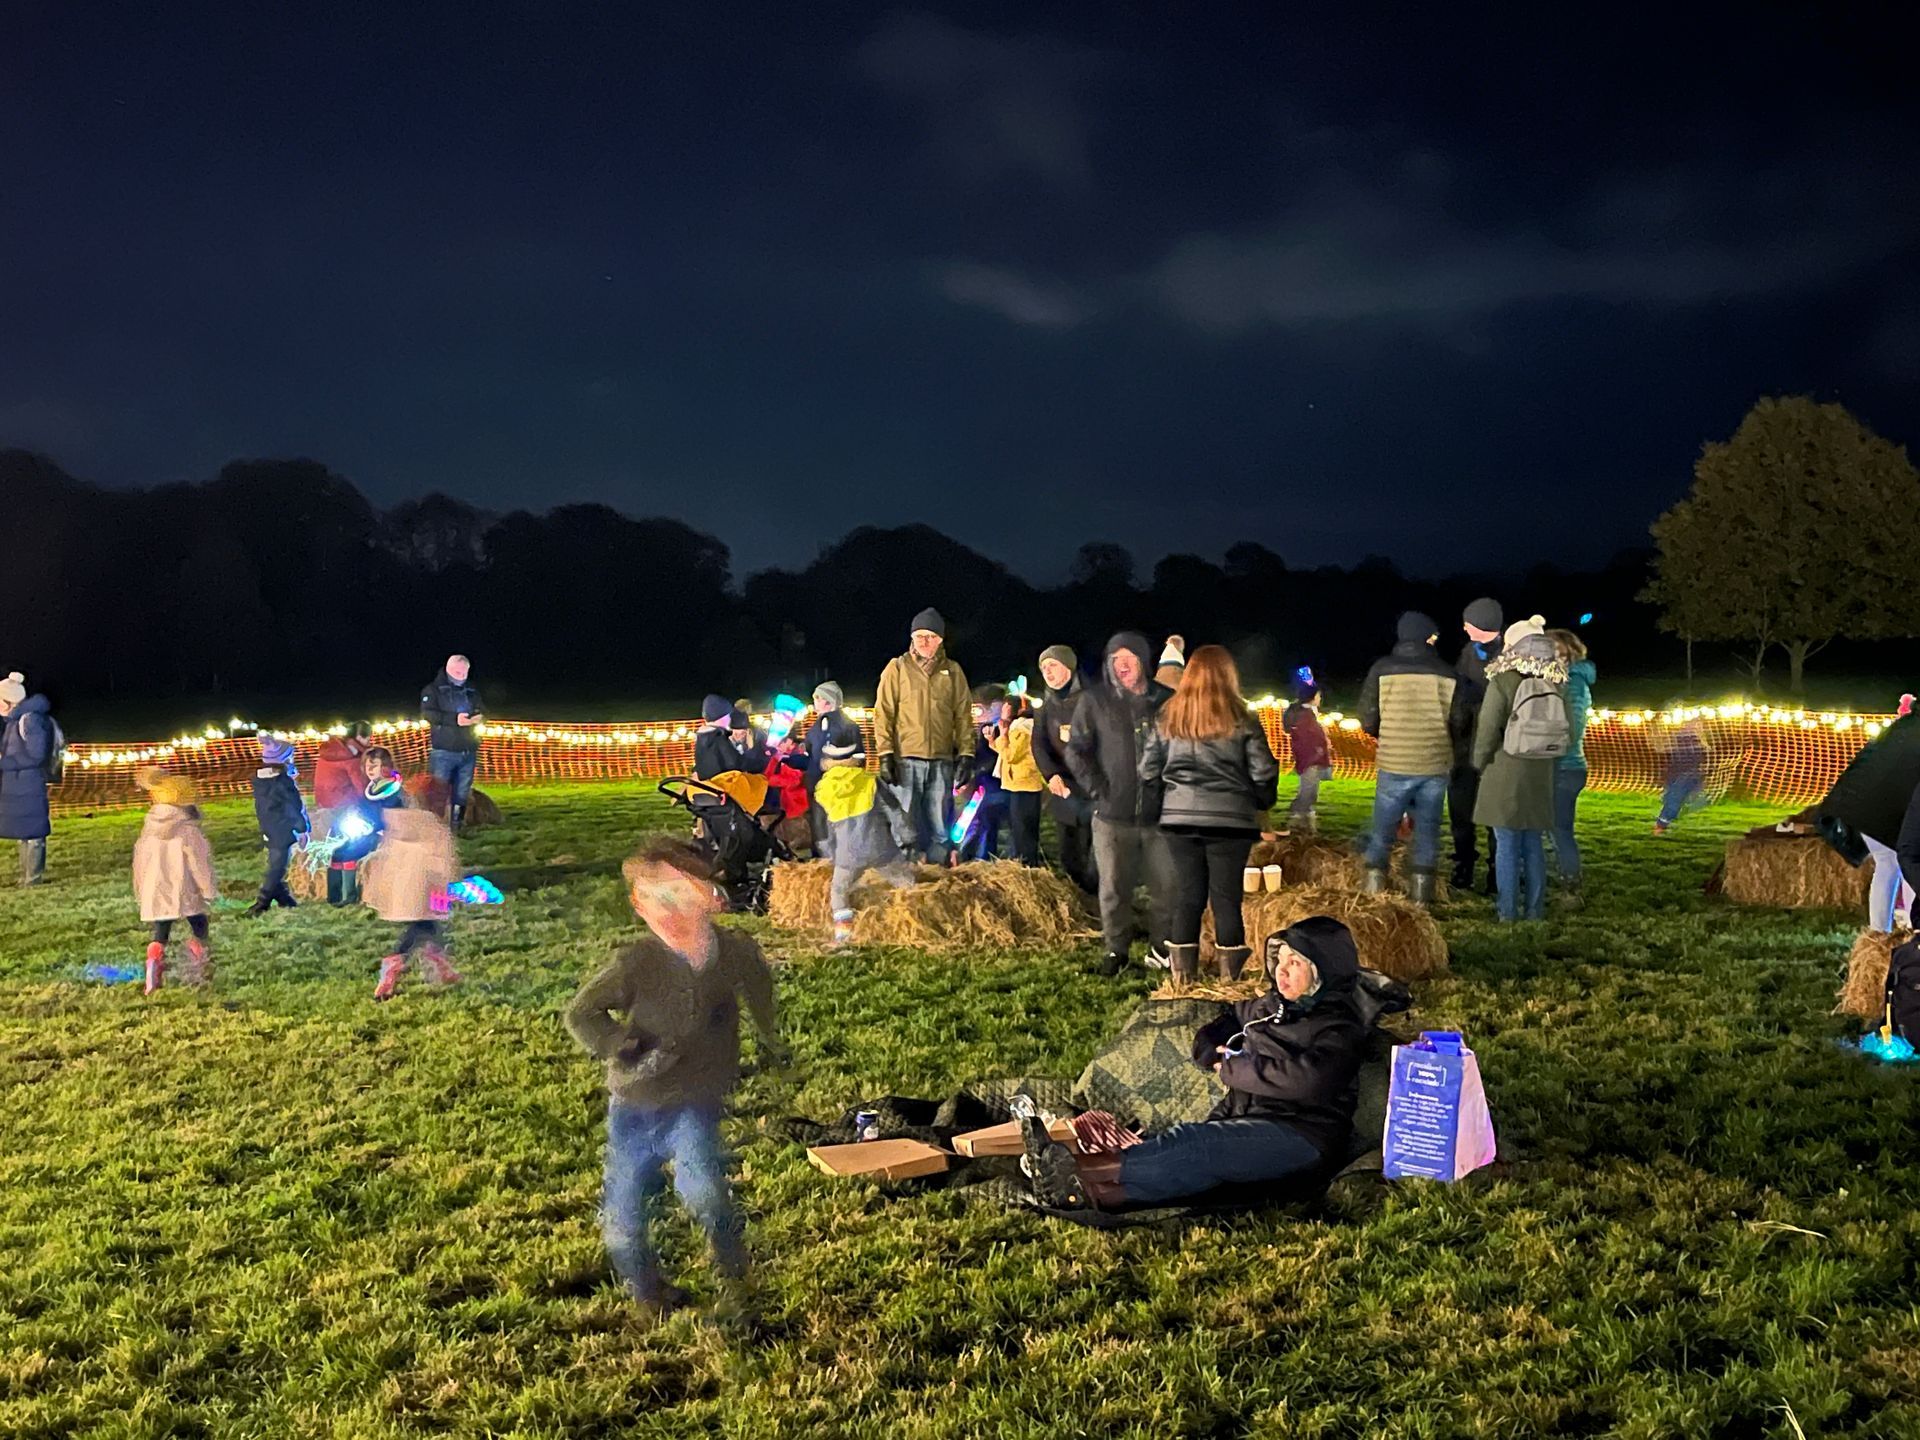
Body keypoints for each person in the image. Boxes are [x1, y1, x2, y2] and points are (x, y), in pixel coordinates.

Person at [563, 837, 786, 1323]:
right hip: (635, 1101)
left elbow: (759, 992)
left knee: (704, 1191)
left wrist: (772, 1045)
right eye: (656, 899)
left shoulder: (732, 953)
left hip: (694, 1100)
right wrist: (618, 1043)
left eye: (682, 894)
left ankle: (736, 1281)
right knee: (622, 1218)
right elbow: (581, 1012)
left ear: (710, 895)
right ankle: (648, 1293)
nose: (671, 910)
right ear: (638, 907)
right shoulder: (637, 963)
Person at [1022, 918, 1366, 1212]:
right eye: (1282, 959)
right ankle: (1089, 1196)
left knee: (1196, 1145)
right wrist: (1208, 1044)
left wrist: (1231, 1067)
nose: (1282, 970)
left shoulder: (1339, 1028)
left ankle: (1072, 1168)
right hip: (1246, 1119)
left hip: (1302, 1136)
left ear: (1322, 975)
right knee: (1189, 1170)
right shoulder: (1271, 1007)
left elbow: (1307, 1082)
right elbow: (1232, 1016)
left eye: (1296, 964)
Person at [1140, 645, 1279, 985]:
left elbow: (1147, 770)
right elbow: (1263, 771)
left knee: (1188, 896)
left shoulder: (1168, 715)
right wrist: (1262, 801)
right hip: (1231, 821)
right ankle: (1229, 981)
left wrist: (1160, 804)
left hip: (1178, 820)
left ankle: (1182, 979)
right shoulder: (1242, 716)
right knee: (1226, 898)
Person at [1067, 632, 1177, 975]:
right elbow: (1077, 750)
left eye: (1129, 658)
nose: (1122, 665)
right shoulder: (1094, 701)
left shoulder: (1168, 700)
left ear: (1144, 661)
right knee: (1114, 888)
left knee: (1166, 888)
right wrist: (1098, 789)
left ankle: (1162, 950)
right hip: (1112, 816)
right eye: (1115, 659)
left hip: (1160, 816)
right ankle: (1116, 950)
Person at [1357, 613, 1460, 905]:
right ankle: (1421, 900)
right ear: (1426, 636)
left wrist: (1388, 733)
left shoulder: (1382, 668)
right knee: (1427, 832)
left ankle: (1374, 894)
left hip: (1394, 761)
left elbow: (1366, 717)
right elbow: (1460, 719)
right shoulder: (1447, 672)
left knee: (1382, 830)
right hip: (1434, 763)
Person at [1472, 617, 1567, 922]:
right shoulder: (1556, 680)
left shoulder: (1502, 680)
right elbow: (1569, 728)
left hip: (1505, 769)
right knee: (1533, 844)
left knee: (1507, 844)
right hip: (1542, 771)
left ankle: (1507, 912)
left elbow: (1488, 728)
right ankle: (1535, 911)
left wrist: (1479, 761)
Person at [872, 608, 974, 864]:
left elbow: (963, 715)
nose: (924, 642)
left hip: (941, 759)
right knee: (905, 820)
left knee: (940, 820)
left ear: (940, 639)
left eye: (930, 636)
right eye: (919, 636)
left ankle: (937, 872)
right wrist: (885, 754)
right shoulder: (897, 668)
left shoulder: (953, 671)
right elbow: (883, 713)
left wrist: (966, 753)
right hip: (906, 759)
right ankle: (903, 871)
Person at [814, 730, 917, 945]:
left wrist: (830, 854)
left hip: (847, 854)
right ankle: (914, 926)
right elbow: (895, 811)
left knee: (839, 891)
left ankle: (844, 937)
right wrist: (908, 836)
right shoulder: (871, 782)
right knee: (906, 884)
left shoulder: (823, 789)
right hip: (881, 849)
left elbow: (823, 828)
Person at [366, 779, 463, 1000]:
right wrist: (450, 881)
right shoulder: (432, 826)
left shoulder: (395, 822)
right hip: (428, 889)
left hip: (403, 892)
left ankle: (440, 967)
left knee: (426, 927)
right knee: (422, 927)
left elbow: (385, 860)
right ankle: (395, 965)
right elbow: (442, 859)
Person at [132, 771, 218, 995]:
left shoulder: (149, 827)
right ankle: (199, 966)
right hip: (184, 887)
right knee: (199, 924)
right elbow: (199, 862)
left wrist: (142, 888)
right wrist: (208, 889)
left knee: (161, 930)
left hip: (157, 888)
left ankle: (153, 967)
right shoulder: (188, 829)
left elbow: (140, 861)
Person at [1029, 645, 1097, 895]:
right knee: (1068, 853)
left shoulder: (1091, 700)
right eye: (1044, 668)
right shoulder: (1046, 705)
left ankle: (1097, 898)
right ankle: (1077, 895)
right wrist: (1051, 774)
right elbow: (1038, 743)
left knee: (1093, 849)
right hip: (1062, 786)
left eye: (1052, 666)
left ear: (1068, 667)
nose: (1047, 672)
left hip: (1091, 788)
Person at [1450, 598, 1505, 893]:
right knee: (1461, 813)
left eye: (1469, 623)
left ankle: (1498, 871)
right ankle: (1463, 867)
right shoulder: (1468, 652)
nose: (1464, 627)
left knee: (1495, 815)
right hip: (1463, 750)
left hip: (1495, 751)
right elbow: (1458, 697)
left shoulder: (1510, 655)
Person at [1546, 629, 1596, 891]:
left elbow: (1573, 728)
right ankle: (1563, 875)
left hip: (1566, 766)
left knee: (1560, 828)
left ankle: (1572, 883)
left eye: (1555, 650)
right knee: (1552, 827)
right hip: (1558, 764)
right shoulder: (1559, 680)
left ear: (1569, 653)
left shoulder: (1573, 682)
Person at [0, 671, 57, 887]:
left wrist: (4, 762)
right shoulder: (13, 722)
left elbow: (36, 755)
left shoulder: (30, 720)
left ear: (9, 700)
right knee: (25, 833)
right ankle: (25, 877)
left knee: (33, 834)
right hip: (18, 784)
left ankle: (32, 879)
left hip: (29, 784)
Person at [420, 654, 485, 830]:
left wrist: (479, 717)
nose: (462, 676)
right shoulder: (433, 690)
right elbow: (428, 714)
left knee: (462, 791)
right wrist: (454, 720)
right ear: (448, 669)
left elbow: (481, 708)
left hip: (468, 749)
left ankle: (457, 825)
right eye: (458, 672)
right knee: (438, 791)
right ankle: (435, 826)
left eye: (465, 672)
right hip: (444, 750)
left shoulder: (471, 690)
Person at [247, 733, 308, 915]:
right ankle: (262, 903)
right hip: (283, 829)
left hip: (268, 827)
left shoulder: (261, 780)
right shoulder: (282, 781)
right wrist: (302, 829)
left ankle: (284, 899)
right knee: (277, 867)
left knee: (277, 862)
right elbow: (292, 807)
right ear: (284, 758)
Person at [988, 691, 1045, 866]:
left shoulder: (1023, 729)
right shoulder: (1019, 728)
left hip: (1024, 785)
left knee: (1023, 830)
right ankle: (1024, 863)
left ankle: (1026, 865)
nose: (1001, 711)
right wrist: (994, 740)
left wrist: (1003, 732)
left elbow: (1011, 755)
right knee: (1020, 828)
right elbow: (1006, 751)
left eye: (1005, 707)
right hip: (1018, 784)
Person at [958, 686, 1008, 862]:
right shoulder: (988, 728)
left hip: (993, 786)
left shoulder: (1000, 728)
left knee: (985, 824)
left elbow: (989, 756)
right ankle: (978, 857)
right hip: (988, 785)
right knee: (984, 824)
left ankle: (981, 858)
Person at [1281, 669, 1332, 834]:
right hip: (1310, 761)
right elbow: (1307, 741)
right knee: (1307, 794)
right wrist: (1318, 751)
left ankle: (1306, 826)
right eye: (1318, 696)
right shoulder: (1305, 717)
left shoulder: (1309, 714)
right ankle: (1294, 822)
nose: (1320, 699)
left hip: (1313, 760)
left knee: (1310, 794)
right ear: (1312, 697)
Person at [803, 682, 848, 857]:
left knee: (827, 825)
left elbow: (853, 756)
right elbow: (811, 749)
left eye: (818, 698)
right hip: (818, 783)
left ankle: (831, 860)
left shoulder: (841, 726)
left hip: (832, 785)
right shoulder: (819, 724)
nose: (815, 702)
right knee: (819, 825)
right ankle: (823, 859)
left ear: (828, 701)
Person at [1653, 718, 1709, 835]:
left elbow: (1705, 751)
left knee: (1693, 800)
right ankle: (1660, 826)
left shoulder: (1695, 740)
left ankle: (1662, 823)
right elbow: (1665, 750)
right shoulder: (1683, 739)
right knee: (1674, 800)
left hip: (1691, 774)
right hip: (1681, 774)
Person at [314, 722, 374, 813]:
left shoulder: (329, 752)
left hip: (323, 804)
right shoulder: (352, 758)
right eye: (368, 739)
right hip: (346, 806)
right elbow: (362, 786)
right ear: (359, 737)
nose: (369, 743)